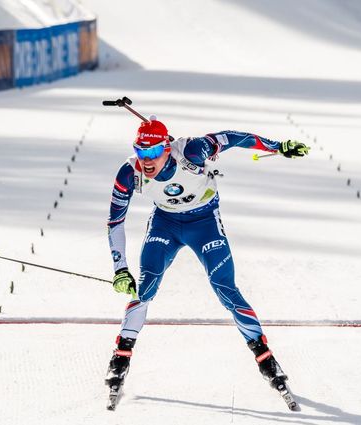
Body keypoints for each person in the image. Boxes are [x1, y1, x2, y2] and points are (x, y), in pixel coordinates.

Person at [104, 116, 309, 394]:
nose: (147, 161)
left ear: (166, 148)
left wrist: (277, 146)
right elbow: (115, 221)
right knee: (145, 287)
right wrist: (120, 269)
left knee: (225, 288)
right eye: (141, 152)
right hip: (166, 223)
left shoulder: (192, 150)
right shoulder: (129, 173)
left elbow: (234, 137)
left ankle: (266, 359)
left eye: (153, 152)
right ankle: (120, 359)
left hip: (205, 223)